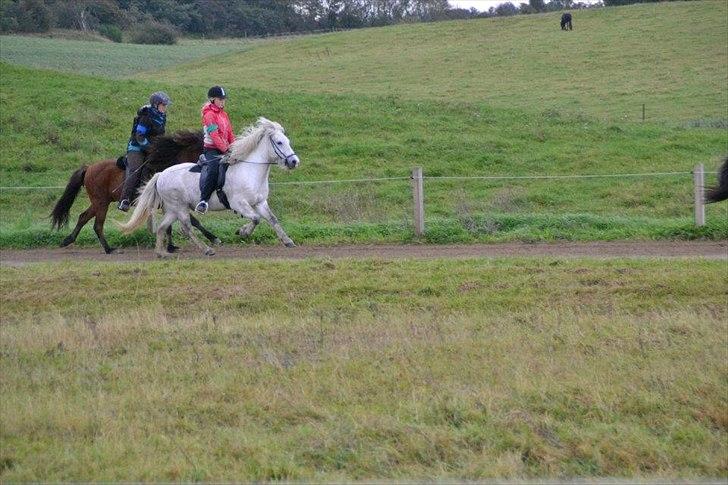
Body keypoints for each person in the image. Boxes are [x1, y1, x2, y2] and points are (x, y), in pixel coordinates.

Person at [118, 91, 171, 211]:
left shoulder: (161, 117)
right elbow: (139, 136)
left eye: (165, 105)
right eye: (163, 105)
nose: (165, 107)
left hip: (151, 148)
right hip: (136, 147)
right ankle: (124, 199)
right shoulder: (146, 117)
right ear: (155, 105)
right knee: (135, 170)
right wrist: (150, 148)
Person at [195, 85, 235, 214]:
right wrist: (225, 149)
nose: (223, 101)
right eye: (220, 99)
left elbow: (229, 133)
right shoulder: (209, 115)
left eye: (224, 99)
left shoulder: (224, 114)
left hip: (226, 148)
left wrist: (234, 147)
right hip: (211, 149)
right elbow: (214, 135)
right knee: (213, 169)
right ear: (212, 99)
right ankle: (203, 201)